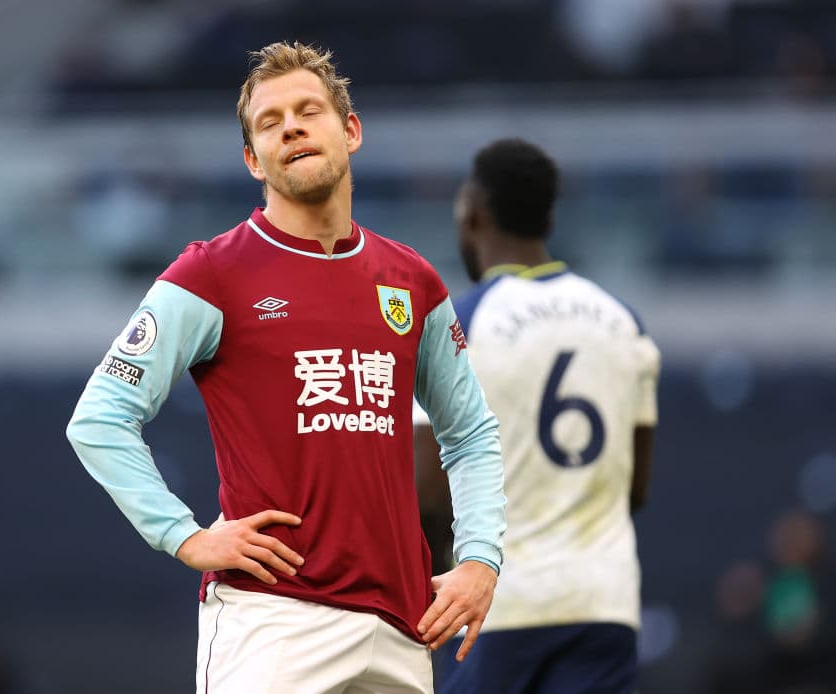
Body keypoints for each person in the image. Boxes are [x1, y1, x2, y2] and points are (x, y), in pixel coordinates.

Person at [66, 41, 507, 694]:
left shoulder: (411, 280)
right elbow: (99, 418)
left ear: (350, 130)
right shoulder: (211, 272)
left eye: (309, 111)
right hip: (273, 623)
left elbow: (470, 434)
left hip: (400, 625)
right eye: (270, 123)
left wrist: (479, 560)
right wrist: (183, 537)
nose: (292, 126)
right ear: (253, 160)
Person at [414, 138, 660, 694]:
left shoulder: (460, 326)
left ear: (472, 212)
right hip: (605, 603)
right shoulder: (623, 321)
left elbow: (429, 493)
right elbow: (635, 487)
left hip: (498, 607)